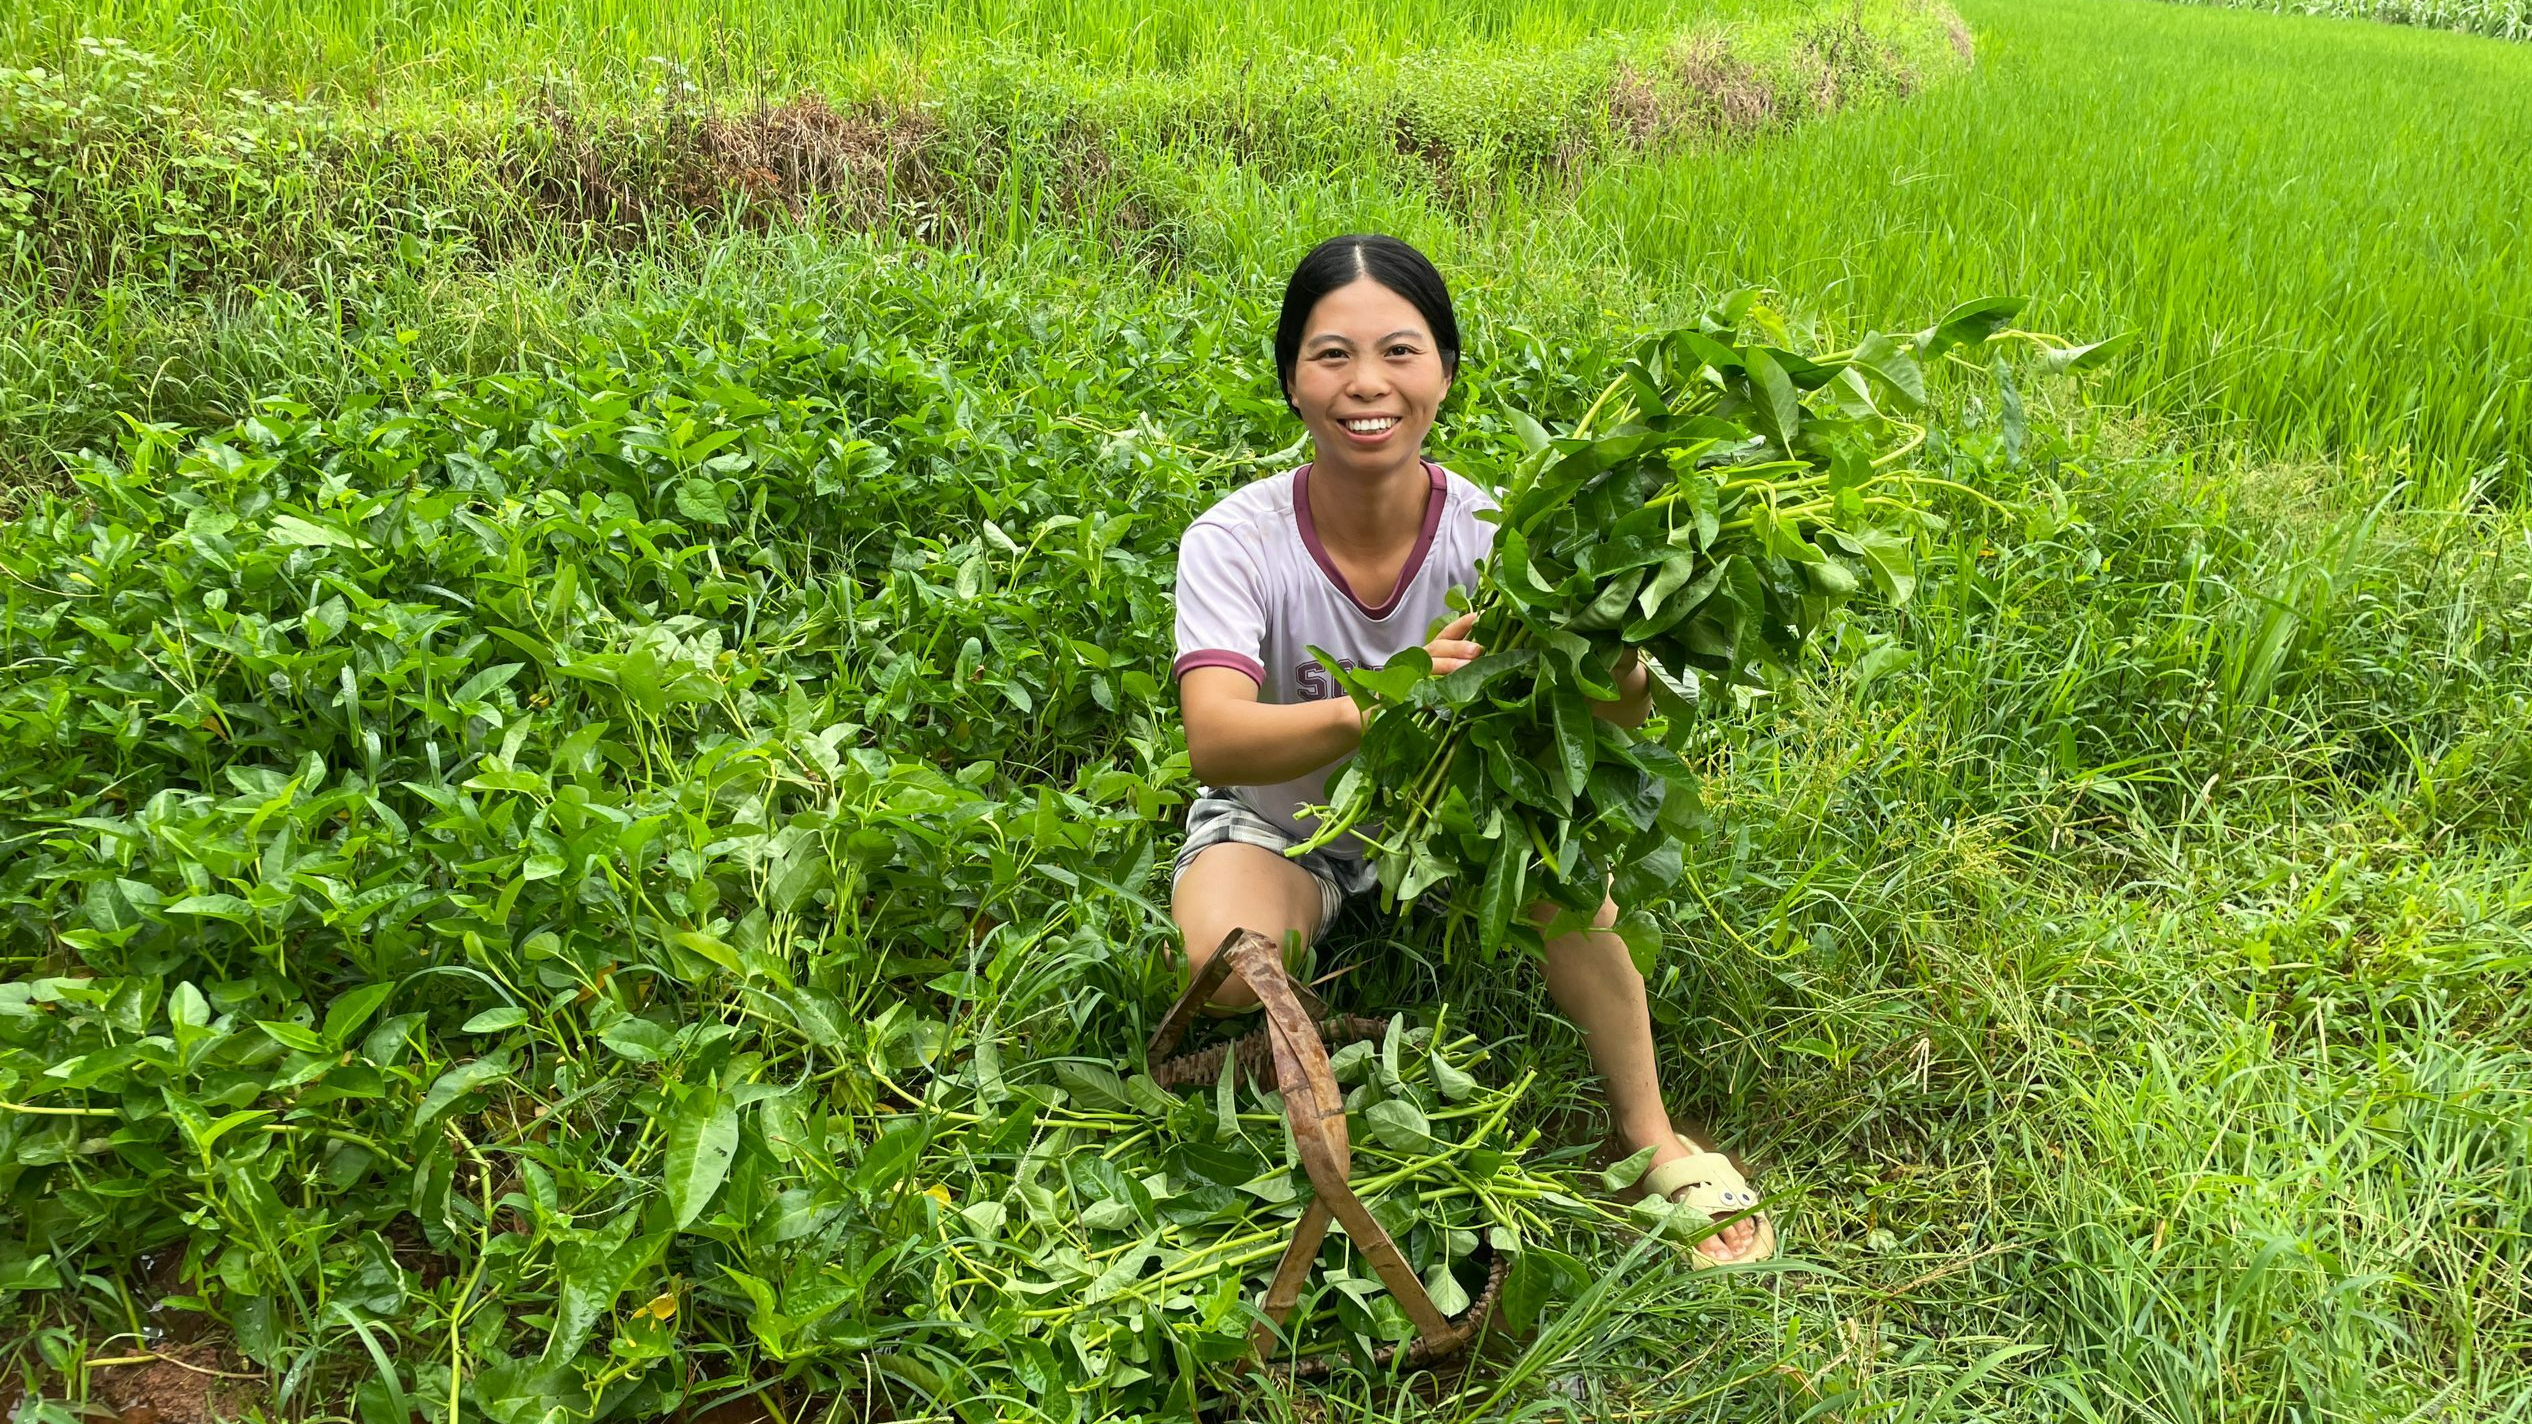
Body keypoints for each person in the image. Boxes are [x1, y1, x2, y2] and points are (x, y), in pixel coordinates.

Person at [1166, 233, 1775, 1267]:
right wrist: (1387, 706)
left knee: (1572, 890)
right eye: (1331, 355)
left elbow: (1616, 717)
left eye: (1401, 351)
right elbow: (1216, 736)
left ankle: (1651, 1134)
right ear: (1291, 380)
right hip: (1287, 821)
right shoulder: (1235, 538)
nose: (1368, 383)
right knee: (1221, 970)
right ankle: (1330, 994)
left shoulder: (1501, 534)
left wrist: (1619, 645)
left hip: (1461, 818)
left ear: (1445, 372)